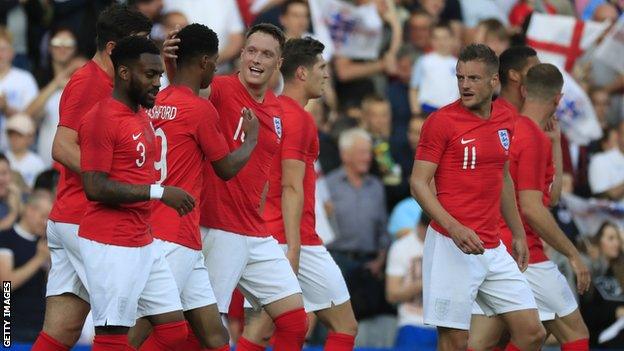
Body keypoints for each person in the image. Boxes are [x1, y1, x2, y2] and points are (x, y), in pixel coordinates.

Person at [32, 5, 153, 351]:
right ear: (114, 49)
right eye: (139, 46)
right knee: (146, 316)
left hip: (73, 218)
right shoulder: (89, 82)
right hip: (88, 222)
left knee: (62, 332)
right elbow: (61, 146)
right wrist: (113, 179)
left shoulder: (116, 82)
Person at [133, 23, 260, 350]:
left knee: (216, 337)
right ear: (204, 62)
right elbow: (226, 168)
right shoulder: (201, 109)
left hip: (167, 230)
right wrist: (251, 140)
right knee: (144, 327)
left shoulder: (155, 101)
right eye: (214, 63)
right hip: (173, 235)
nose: (215, 70)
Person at [410, 44, 545, 351]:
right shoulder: (441, 122)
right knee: (454, 341)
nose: (465, 85)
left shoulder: (504, 120)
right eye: (460, 77)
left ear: (493, 81)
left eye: (473, 78)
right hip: (450, 245)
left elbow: (504, 176)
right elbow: (418, 183)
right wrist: (454, 227)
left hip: (493, 246)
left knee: (532, 333)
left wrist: (519, 232)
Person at [197, 23, 308, 350]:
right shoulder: (220, 89)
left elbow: (262, 175)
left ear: (279, 63)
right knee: (205, 332)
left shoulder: (275, 108)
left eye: (267, 54)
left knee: (294, 320)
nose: (257, 59)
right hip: (218, 228)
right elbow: (195, 93)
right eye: (252, 51)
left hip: (255, 232)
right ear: (242, 54)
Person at [79, 35, 192, 351]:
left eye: (160, 75)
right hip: (110, 242)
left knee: (173, 331)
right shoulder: (102, 118)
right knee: (111, 339)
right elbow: (95, 186)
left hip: (142, 239)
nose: (157, 82)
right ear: (125, 73)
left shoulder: (141, 113)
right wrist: (159, 192)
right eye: (150, 74)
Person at [468, 64, 591, 351]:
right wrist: (573, 255)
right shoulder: (532, 138)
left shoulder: (505, 129)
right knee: (575, 333)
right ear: (558, 99)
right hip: (525, 253)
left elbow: (552, 197)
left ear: (524, 91)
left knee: (494, 340)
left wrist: (555, 144)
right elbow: (534, 209)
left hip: (492, 249)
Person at [247, 36, 359, 350]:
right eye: (322, 68)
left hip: (265, 232)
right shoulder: (298, 119)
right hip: (295, 238)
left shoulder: (271, 110)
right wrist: (294, 247)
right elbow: (291, 185)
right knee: (344, 325)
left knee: (280, 326)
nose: (326, 75)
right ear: (301, 73)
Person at [27, 27, 85, 167]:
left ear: (75, 48)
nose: (62, 48)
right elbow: (28, 114)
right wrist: (57, 82)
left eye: (68, 44)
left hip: (73, 159)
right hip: (45, 157)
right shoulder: (39, 77)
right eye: (57, 43)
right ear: (49, 47)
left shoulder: (84, 79)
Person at [0, 191, 52, 342]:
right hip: (10, 328)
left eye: (48, 219)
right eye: (43, 217)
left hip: (40, 327)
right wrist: (39, 259)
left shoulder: (45, 243)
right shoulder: (5, 237)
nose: (45, 223)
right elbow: (6, 285)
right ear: (30, 210)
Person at [385, 213, 436, 350]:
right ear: (420, 226)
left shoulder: (449, 244)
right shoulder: (402, 247)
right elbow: (392, 294)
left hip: (445, 324)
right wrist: (426, 281)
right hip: (412, 322)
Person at [408, 22, 459, 115]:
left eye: (445, 38)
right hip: (427, 110)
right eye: (437, 38)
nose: (441, 42)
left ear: (452, 39)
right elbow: (414, 88)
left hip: (451, 112)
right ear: (431, 40)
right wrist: (416, 112)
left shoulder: (459, 64)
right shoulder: (423, 61)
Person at [5, 113, 45, 189]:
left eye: (19, 135)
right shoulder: (3, 159)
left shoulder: (37, 163)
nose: (14, 139)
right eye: (11, 135)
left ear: (30, 138)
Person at [497, 46, 540, 111]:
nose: (542, 75)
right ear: (514, 75)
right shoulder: (493, 116)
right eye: (535, 70)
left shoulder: (536, 116)